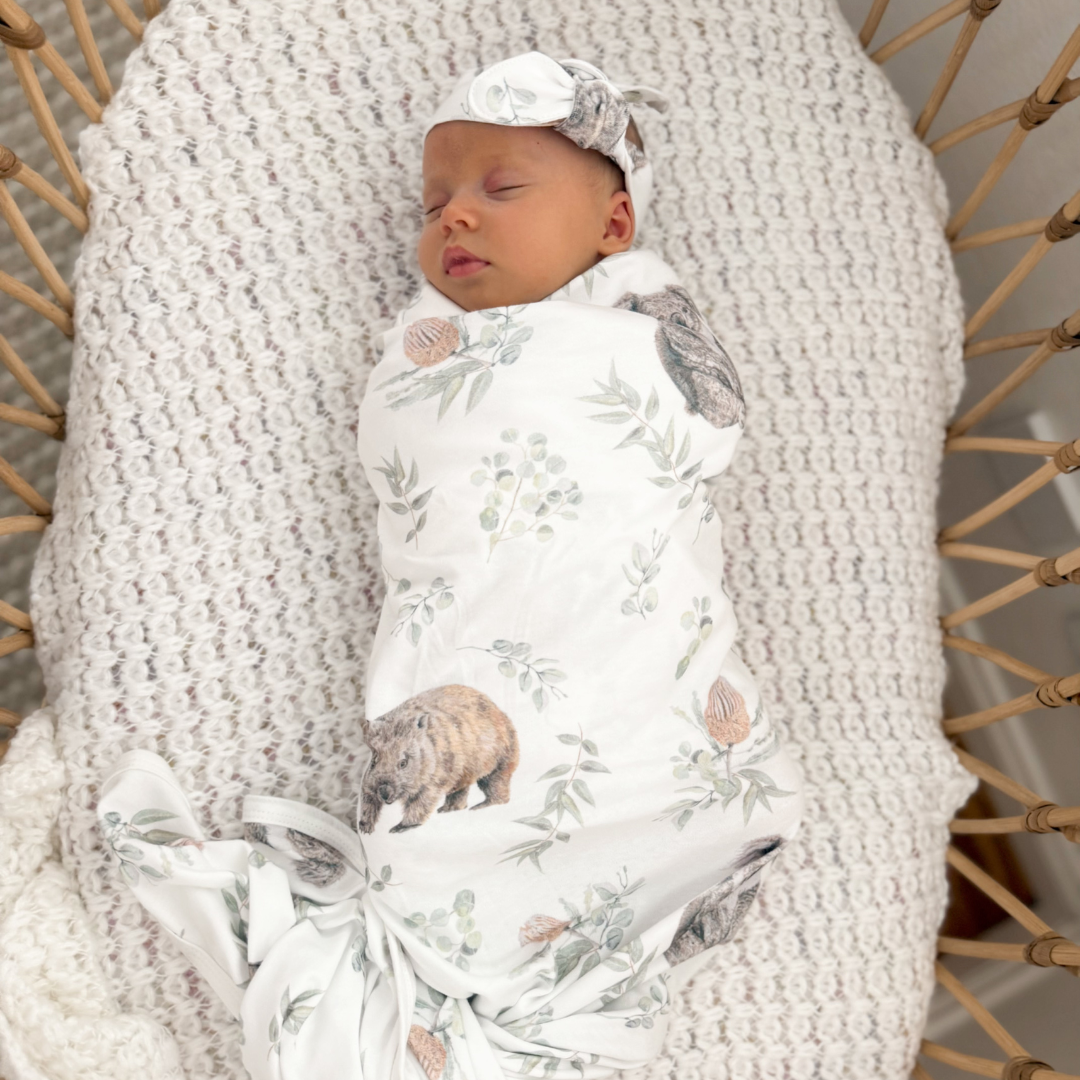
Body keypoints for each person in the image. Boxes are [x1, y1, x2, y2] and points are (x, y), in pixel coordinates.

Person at [98, 50, 804, 1080]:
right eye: (434, 206)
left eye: (501, 189)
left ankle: (414, 980)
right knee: (448, 805)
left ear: (615, 225)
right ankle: (477, 993)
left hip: (643, 671)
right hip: (483, 639)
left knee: (606, 818)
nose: (454, 217)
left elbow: (703, 424)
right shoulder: (433, 355)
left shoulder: (636, 338)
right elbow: (417, 458)